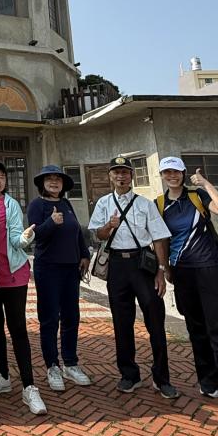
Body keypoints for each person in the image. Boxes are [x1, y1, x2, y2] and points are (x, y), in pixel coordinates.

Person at [157, 157, 218, 418]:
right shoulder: (160, 204)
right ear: (162, 175)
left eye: (176, 171)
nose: (172, 176)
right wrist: (165, 269)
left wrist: (206, 183)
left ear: (183, 173)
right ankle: (209, 382)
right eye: (167, 172)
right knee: (196, 329)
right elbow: (161, 241)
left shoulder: (197, 197)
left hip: (209, 269)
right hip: (183, 274)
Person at [88, 155, 179, 398]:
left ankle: (162, 377)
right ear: (110, 176)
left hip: (142, 265)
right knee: (121, 322)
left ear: (131, 176)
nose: (121, 176)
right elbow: (97, 235)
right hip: (117, 266)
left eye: (125, 172)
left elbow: (159, 237)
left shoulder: (145, 204)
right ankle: (129, 374)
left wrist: (161, 270)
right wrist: (109, 226)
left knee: (155, 321)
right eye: (116, 172)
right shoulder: (104, 203)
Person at [0, 161, 46, 415]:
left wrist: (26, 238)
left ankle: (29, 386)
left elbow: (17, 239)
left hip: (13, 275)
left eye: (1, 177)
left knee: (18, 328)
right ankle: (3, 376)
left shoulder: (11, 205)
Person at [26, 165, 91, 395]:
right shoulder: (37, 205)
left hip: (70, 267)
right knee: (50, 317)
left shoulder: (66, 203)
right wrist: (51, 222)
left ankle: (70, 363)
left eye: (58, 179)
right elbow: (33, 236)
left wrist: (85, 254)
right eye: (49, 179)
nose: (54, 182)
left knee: (72, 315)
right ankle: (52, 365)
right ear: (42, 183)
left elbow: (76, 233)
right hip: (48, 267)